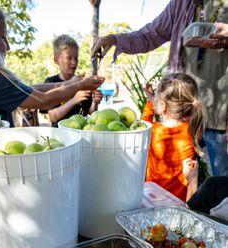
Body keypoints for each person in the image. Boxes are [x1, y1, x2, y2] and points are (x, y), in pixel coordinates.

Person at [91, 0, 228, 177]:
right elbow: (149, 35)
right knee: (182, 179)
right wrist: (114, 39)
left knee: (223, 184)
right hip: (183, 115)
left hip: (220, 119)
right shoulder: (182, 3)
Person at [0, 1, 104, 127]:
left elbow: (29, 89)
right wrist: (79, 86)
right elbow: (44, 101)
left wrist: (69, 83)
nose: (8, 46)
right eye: (3, 37)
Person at [141, 72, 206, 202]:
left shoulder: (152, 130)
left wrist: (149, 102)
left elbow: (144, 122)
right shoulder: (192, 130)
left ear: (162, 106)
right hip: (180, 203)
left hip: (152, 199)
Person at [41, 35, 103, 127]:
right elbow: (52, 117)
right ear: (56, 60)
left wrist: (95, 102)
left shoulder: (83, 83)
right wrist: (74, 100)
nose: (74, 62)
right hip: (60, 135)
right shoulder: (51, 83)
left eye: (76, 58)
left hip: (81, 133)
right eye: (69, 58)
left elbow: (91, 112)